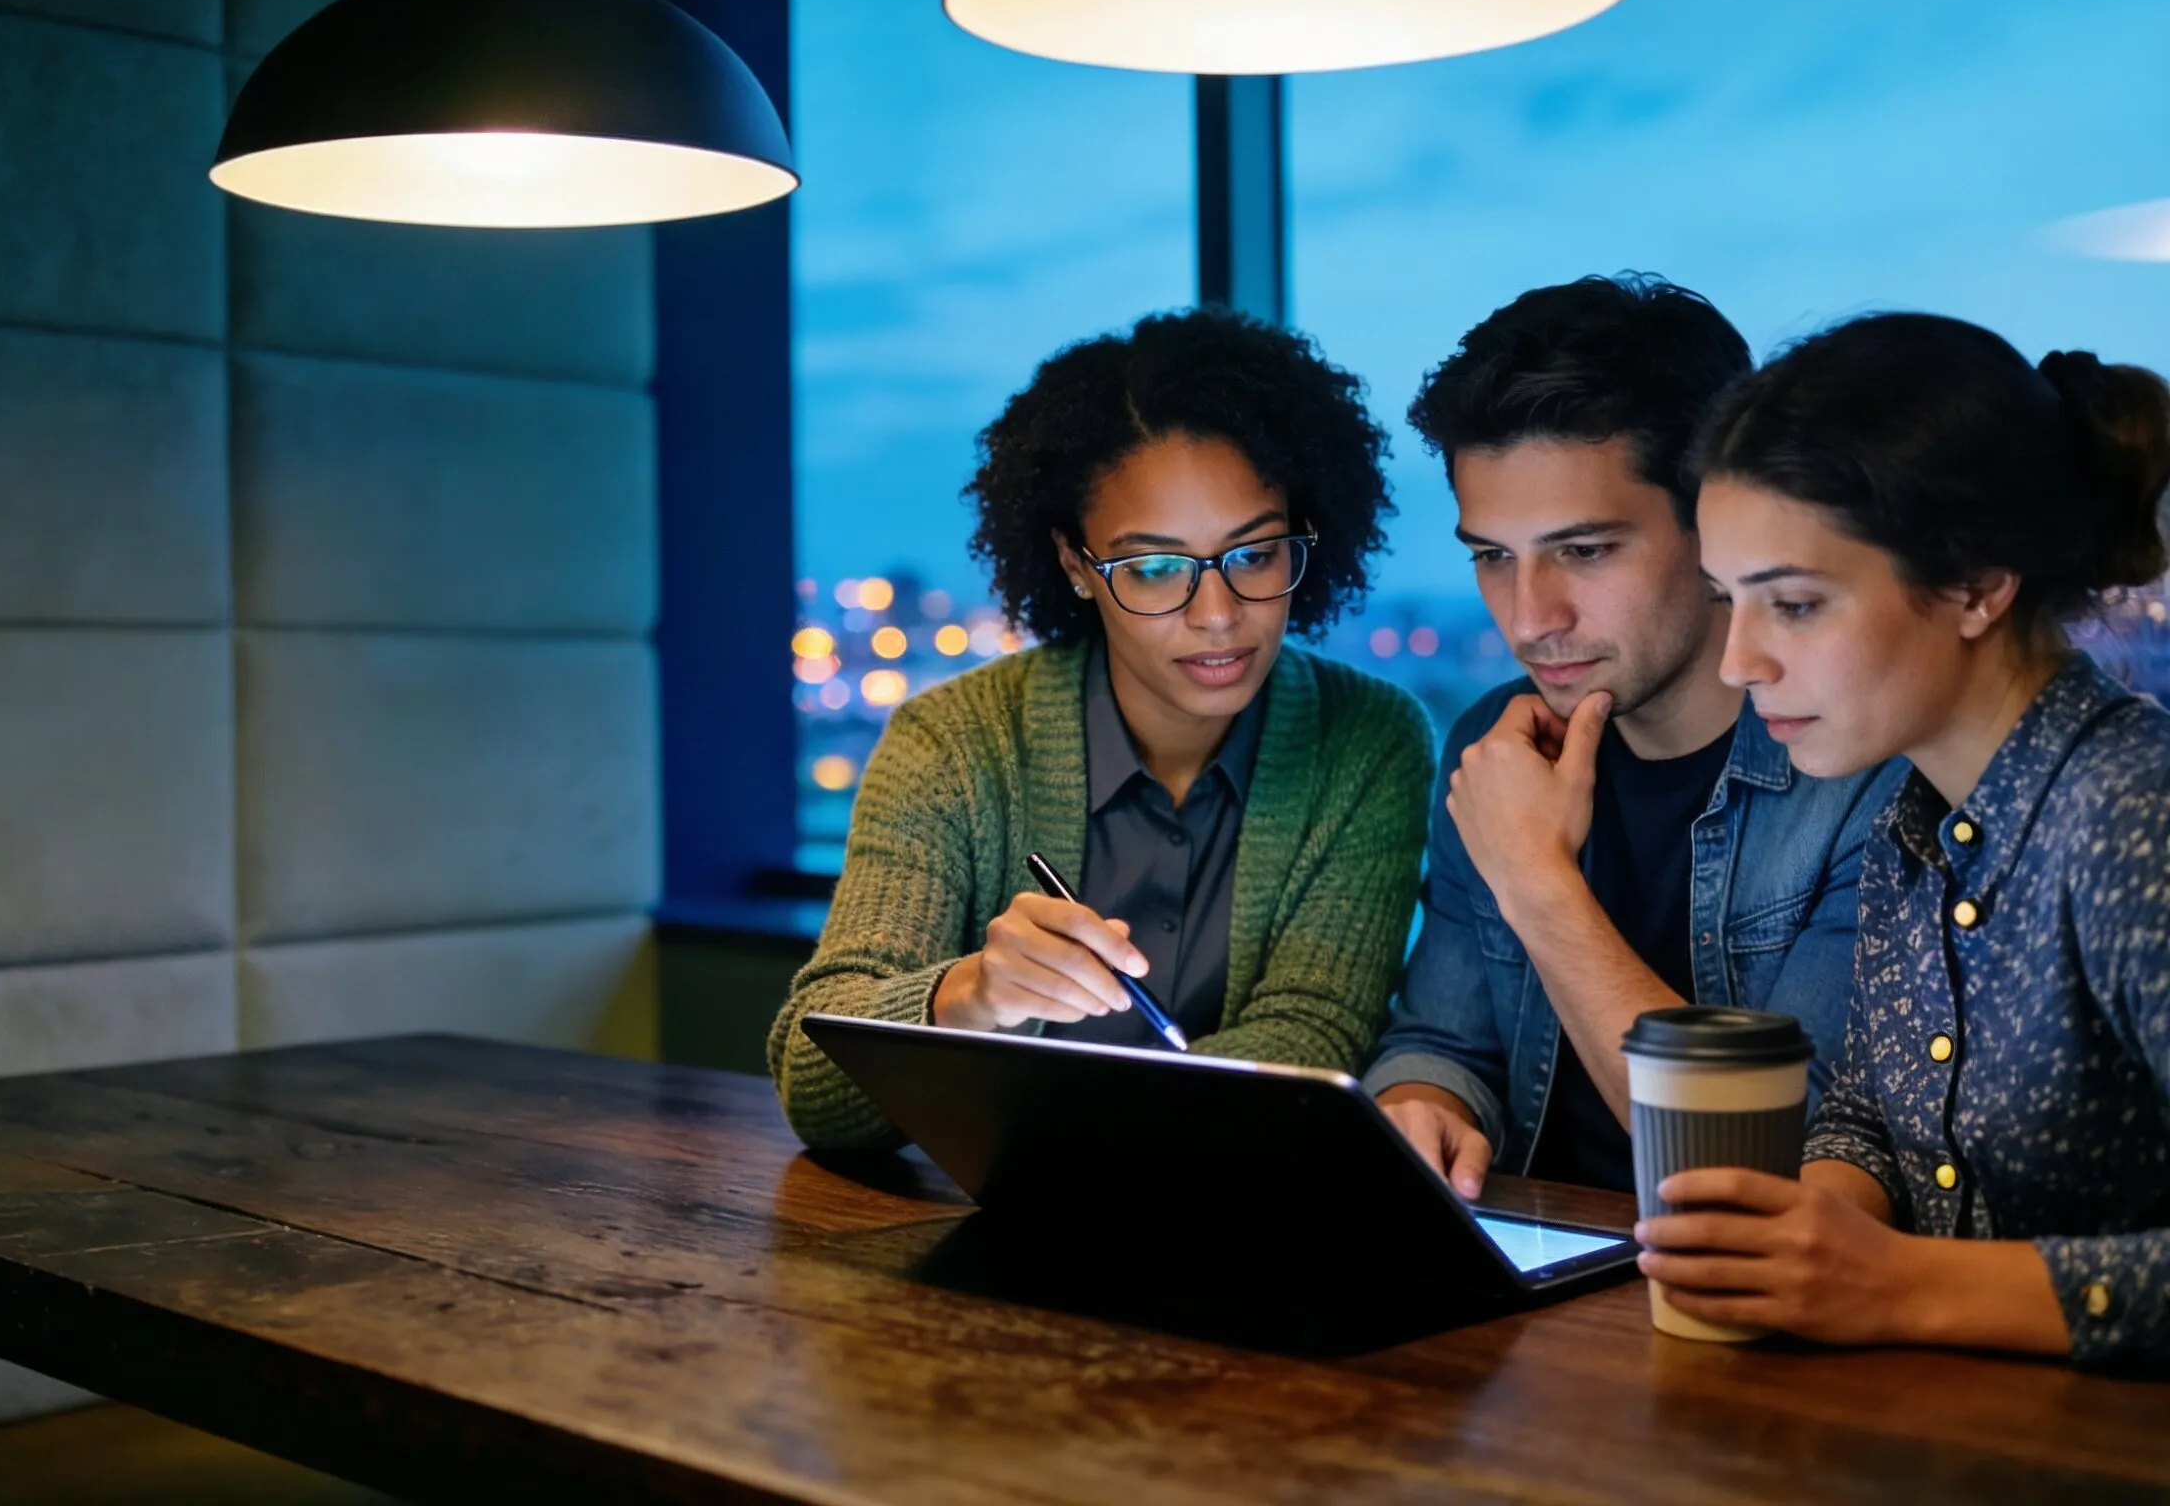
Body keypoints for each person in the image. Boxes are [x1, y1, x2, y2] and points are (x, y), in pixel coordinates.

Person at [1638, 312, 2170, 1369]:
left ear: (1977, 583)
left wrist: (1900, 1286)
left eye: (1792, 604)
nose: (1740, 661)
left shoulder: (2132, 820)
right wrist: (1802, 1232)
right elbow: (1871, 1115)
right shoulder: (1914, 821)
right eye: (1726, 603)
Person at [767, 309, 1433, 1150]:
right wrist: (966, 997)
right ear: (1076, 565)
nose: (1219, 616)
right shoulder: (953, 743)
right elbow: (813, 1081)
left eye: (1255, 555)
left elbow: (1309, 1044)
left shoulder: (1368, 741)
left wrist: (1054, 1131)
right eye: (1155, 568)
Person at [1364, 276, 1902, 1196]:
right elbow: (1443, 1042)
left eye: (1583, 551)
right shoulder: (1494, 748)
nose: (1531, 619)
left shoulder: (1862, 771)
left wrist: (1539, 883)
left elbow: (1782, 1159)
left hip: (1742, 1307)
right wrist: (1422, 1106)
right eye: (1493, 556)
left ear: (1715, 522)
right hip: (1538, 1274)